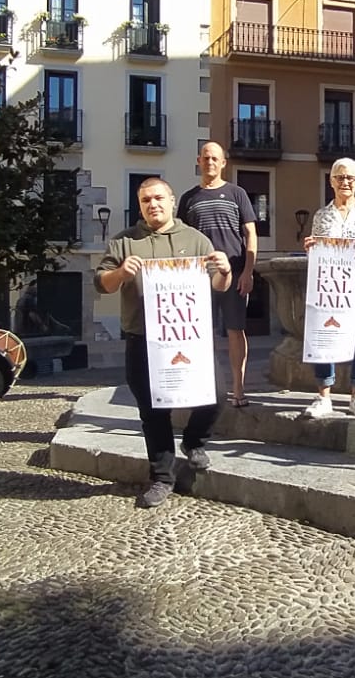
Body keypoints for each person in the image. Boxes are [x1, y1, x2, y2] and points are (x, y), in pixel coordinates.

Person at [96, 177, 232, 508]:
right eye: (145, 200)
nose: (153, 205)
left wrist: (225, 271)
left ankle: (194, 441)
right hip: (142, 339)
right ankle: (161, 478)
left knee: (215, 396)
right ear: (140, 205)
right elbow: (103, 284)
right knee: (153, 412)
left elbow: (218, 284)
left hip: (189, 338)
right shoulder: (124, 241)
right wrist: (121, 273)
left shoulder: (196, 239)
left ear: (172, 201)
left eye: (158, 198)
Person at [300, 158, 355, 418]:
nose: (345, 182)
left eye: (350, 178)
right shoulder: (322, 215)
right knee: (323, 338)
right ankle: (323, 396)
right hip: (330, 288)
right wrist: (310, 249)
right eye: (340, 177)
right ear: (331, 181)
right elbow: (317, 254)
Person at [178, 141, 258, 408]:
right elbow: (181, 238)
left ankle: (238, 389)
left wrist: (248, 272)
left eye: (215, 158)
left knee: (236, 330)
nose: (210, 162)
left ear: (223, 163)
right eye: (206, 158)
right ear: (198, 161)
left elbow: (250, 235)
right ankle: (206, 388)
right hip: (199, 278)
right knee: (201, 334)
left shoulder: (237, 194)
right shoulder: (188, 199)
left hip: (234, 274)